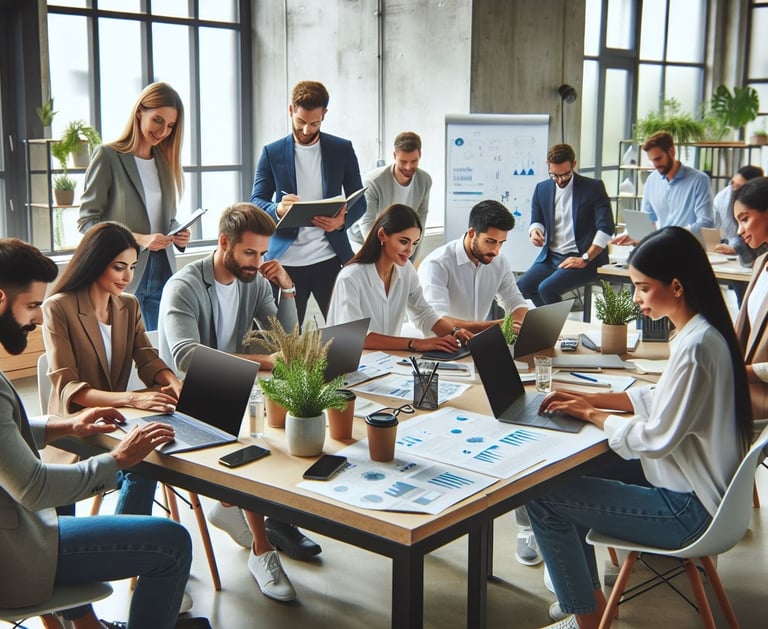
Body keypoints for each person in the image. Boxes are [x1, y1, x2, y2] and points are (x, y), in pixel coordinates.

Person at [528, 226, 752, 629]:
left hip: (688, 510)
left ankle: (587, 618)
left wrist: (593, 416)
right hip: (692, 490)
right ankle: (582, 602)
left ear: (677, 286)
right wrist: (590, 400)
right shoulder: (700, 334)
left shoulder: (697, 347)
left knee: (541, 495)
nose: (635, 299)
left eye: (643, 288)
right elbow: (656, 402)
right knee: (570, 471)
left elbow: (655, 436)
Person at [0, 238, 207, 629]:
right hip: (18, 549)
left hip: (18, 526)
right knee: (174, 542)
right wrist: (118, 459)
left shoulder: (126, 307)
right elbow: (35, 488)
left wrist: (68, 424)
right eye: (31, 306)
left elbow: (6, 433)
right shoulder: (62, 310)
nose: (38, 318)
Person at [158, 202, 319, 602]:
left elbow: (285, 340)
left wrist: (287, 287)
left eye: (264, 254)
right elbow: (186, 357)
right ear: (225, 242)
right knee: (259, 443)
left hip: (239, 388)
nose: (257, 262)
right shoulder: (185, 285)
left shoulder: (257, 281)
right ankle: (262, 547)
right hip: (188, 397)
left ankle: (249, 508)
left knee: (297, 419)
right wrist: (264, 360)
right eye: (250, 253)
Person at [417, 199, 538, 565]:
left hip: (479, 355)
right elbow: (440, 321)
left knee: (523, 427)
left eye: (501, 243)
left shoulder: (496, 262)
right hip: (442, 359)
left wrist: (523, 320)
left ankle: (528, 527)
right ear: (471, 234)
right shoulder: (437, 264)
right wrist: (501, 327)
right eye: (490, 242)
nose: (496, 250)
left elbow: (516, 301)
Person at [42, 222, 184, 518]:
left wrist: (173, 381)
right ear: (96, 262)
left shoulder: (128, 306)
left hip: (115, 425)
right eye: (120, 267)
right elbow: (69, 388)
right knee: (59, 532)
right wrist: (132, 399)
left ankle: (124, 548)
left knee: (147, 462)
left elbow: (146, 358)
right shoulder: (58, 308)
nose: (128, 277)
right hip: (74, 431)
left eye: (132, 266)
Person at [250, 80, 366, 326]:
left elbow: (360, 201)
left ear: (324, 114)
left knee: (345, 333)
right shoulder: (272, 152)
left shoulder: (341, 149)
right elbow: (256, 202)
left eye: (314, 123)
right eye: (300, 121)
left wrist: (341, 221)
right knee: (283, 342)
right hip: (285, 262)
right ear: (291, 110)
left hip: (330, 258)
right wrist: (277, 208)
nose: (306, 130)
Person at [78, 82, 189, 331]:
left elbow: (165, 218)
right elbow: (87, 222)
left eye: (170, 126)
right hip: (122, 272)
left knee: (160, 350)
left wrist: (178, 231)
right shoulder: (108, 156)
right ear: (140, 111)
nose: (163, 131)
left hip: (163, 269)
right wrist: (138, 238)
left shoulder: (164, 161)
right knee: (123, 354)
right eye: (158, 120)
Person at [327, 203, 476, 351]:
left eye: (414, 243)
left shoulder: (406, 271)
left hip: (386, 363)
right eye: (403, 241)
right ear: (382, 235)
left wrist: (454, 332)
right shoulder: (350, 278)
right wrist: (414, 343)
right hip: (351, 367)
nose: (409, 250)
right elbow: (355, 337)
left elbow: (424, 313)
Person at [516, 144, 615, 306]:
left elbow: (606, 227)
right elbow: (537, 219)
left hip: (584, 257)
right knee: (522, 287)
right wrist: (535, 231)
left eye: (565, 175)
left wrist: (586, 258)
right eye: (554, 175)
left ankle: (554, 327)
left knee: (546, 289)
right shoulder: (542, 188)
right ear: (548, 164)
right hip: (551, 256)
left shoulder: (593, 188)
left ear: (574, 164)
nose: (560, 180)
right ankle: (550, 325)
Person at [612, 131, 713, 246]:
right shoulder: (651, 180)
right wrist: (632, 234)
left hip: (688, 248)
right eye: (652, 160)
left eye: (658, 159)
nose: (655, 165)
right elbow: (648, 220)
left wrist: (672, 235)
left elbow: (705, 223)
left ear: (672, 151)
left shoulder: (699, 180)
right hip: (660, 248)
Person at [349, 131, 432, 259]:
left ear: (420, 155)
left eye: (413, 161)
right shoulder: (374, 181)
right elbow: (367, 222)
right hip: (364, 241)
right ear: (394, 155)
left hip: (399, 241)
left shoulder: (425, 180)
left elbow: (421, 218)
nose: (409, 166)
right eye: (403, 161)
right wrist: (381, 255)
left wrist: (409, 253)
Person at [732, 176, 768, 419]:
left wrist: (736, 373)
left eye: (745, 219)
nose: (739, 231)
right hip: (743, 401)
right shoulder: (760, 264)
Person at [712, 165, 764, 265]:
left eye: (745, 219)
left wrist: (736, 248)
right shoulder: (723, 198)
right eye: (732, 183)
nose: (733, 190)